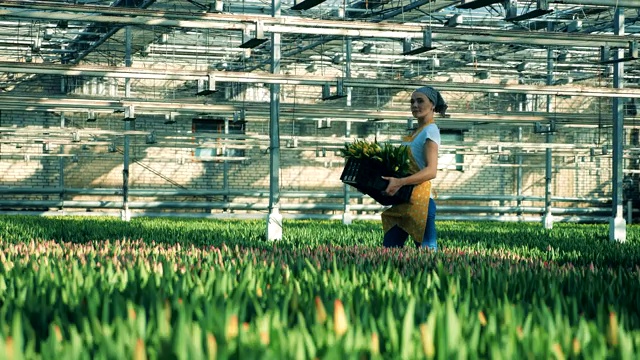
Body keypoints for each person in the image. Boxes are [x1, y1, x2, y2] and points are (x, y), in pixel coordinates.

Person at [380, 86, 446, 251]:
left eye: (420, 101)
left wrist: (400, 182)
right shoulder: (417, 132)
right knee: (390, 249)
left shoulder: (431, 130)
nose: (415, 105)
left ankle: (435, 276)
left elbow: (431, 171)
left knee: (426, 253)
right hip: (405, 199)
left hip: (421, 202)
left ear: (432, 104)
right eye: (412, 101)